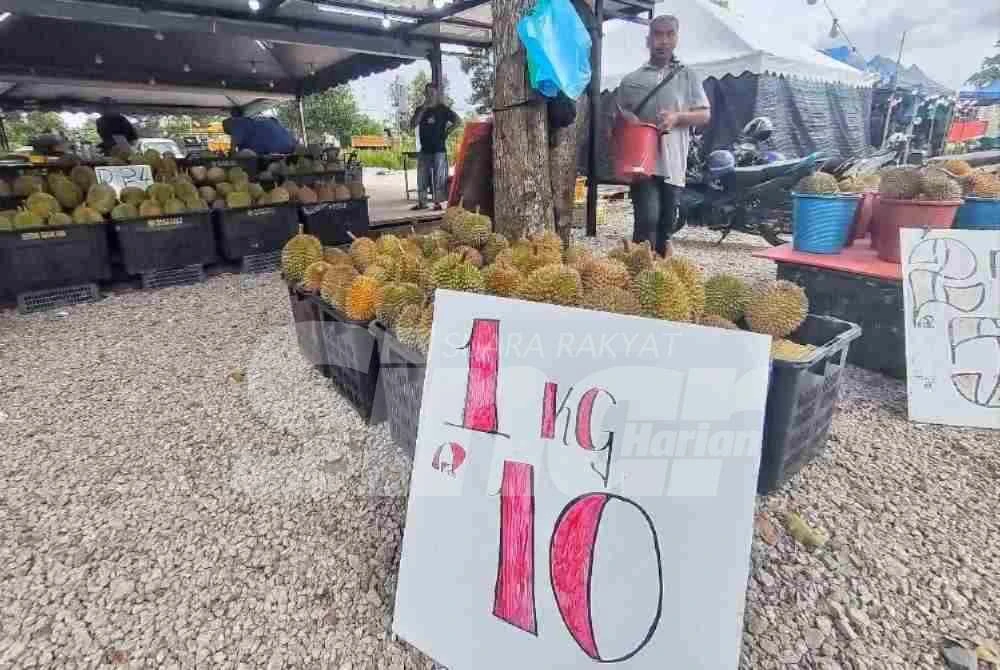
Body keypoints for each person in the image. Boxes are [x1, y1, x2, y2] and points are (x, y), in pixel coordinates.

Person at [615, 15, 711, 257]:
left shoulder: (688, 76)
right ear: (648, 40)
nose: (663, 41)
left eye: (670, 34)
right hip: (642, 162)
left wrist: (678, 118)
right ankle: (639, 272)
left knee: (666, 225)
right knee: (647, 219)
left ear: (676, 38)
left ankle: (657, 274)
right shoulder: (631, 80)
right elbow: (616, 117)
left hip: (674, 163)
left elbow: (704, 114)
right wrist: (627, 121)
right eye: (658, 34)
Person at [410, 83, 460, 211]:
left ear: (437, 94)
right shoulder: (420, 109)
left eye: (433, 93)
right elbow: (413, 124)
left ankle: (438, 203)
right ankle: (422, 203)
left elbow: (458, 121)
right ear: (425, 94)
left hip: (439, 149)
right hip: (425, 149)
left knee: (439, 177)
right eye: (428, 93)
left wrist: (447, 132)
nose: (430, 95)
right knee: (421, 176)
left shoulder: (443, 109)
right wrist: (423, 109)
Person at [222, 109, 297, 155]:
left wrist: (231, 156)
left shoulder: (237, 124)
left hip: (273, 149)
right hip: (288, 145)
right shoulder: (249, 122)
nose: (230, 135)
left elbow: (233, 147)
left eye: (228, 132)